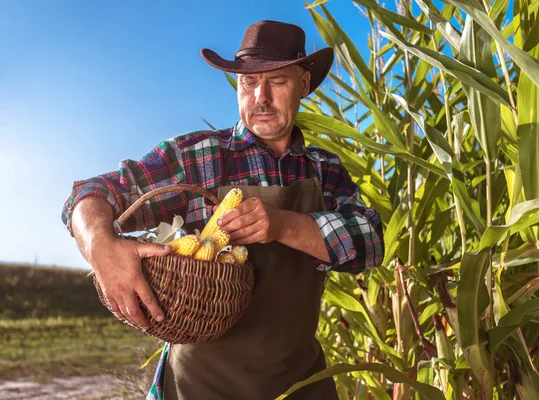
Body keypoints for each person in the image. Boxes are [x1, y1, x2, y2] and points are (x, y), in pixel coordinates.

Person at [61, 20, 384, 400]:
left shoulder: (324, 170)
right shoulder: (197, 156)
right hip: (202, 384)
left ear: (304, 84)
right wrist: (100, 246)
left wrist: (282, 225)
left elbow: (371, 242)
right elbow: (91, 192)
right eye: (248, 83)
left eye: (277, 81)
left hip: (300, 383)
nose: (260, 96)